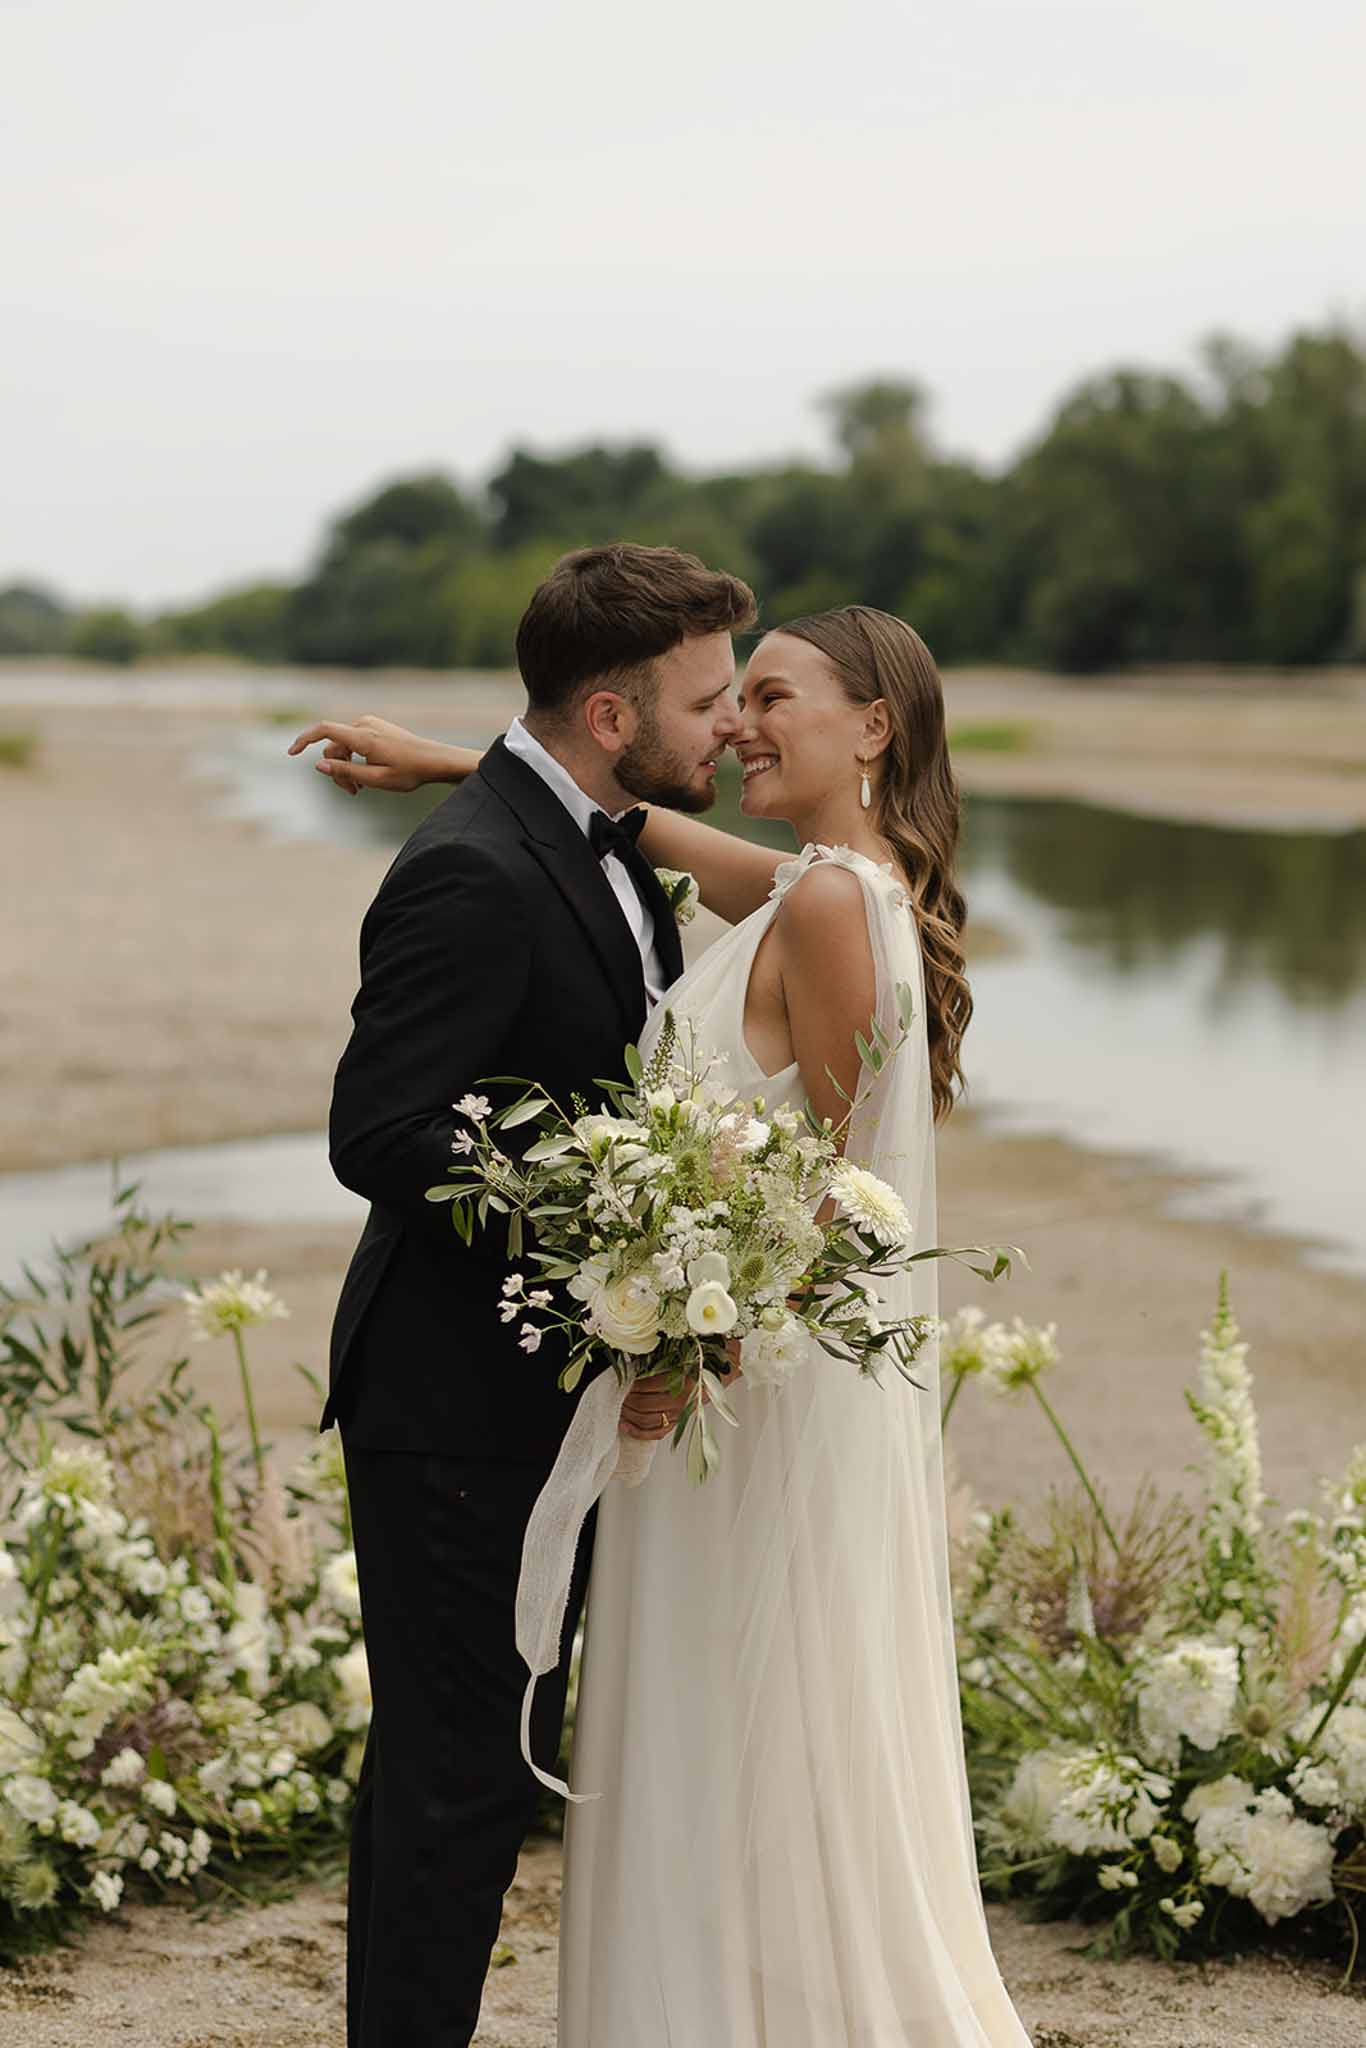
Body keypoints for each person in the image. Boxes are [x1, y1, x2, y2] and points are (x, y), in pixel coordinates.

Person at [293, 603, 1033, 2042]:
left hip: (723, 1391)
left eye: (769, 697)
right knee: (701, 1732)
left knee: (721, 1724)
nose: (742, 724)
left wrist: (689, 1344)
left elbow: (819, 1191)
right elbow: (599, 822)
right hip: (694, 1377)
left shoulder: (826, 903)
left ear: (871, 728)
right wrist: (451, 761)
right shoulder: (825, 881)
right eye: (725, 700)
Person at [306, 541, 756, 2048]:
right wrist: (607, 1259)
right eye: (707, 701)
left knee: (483, 1763)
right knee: (456, 1777)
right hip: (451, 1403)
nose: (732, 728)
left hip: (537, 1394)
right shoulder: (471, 866)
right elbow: (379, 1131)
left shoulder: (600, 831)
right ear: (613, 717)